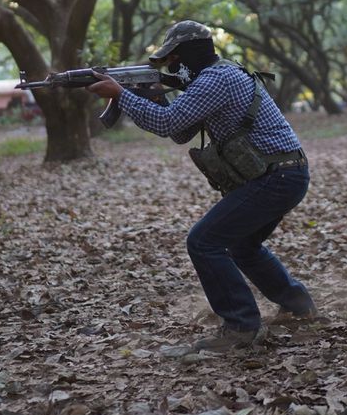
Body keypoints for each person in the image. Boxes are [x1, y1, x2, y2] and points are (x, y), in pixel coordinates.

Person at [86, 20, 315, 352]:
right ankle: (299, 306)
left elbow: (167, 125)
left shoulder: (215, 80)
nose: (170, 66)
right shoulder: (216, 76)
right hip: (284, 173)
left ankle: (241, 328)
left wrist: (121, 95)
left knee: (203, 241)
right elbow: (180, 131)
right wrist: (151, 96)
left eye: (172, 59)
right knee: (242, 246)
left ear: (187, 55)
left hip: (276, 176)